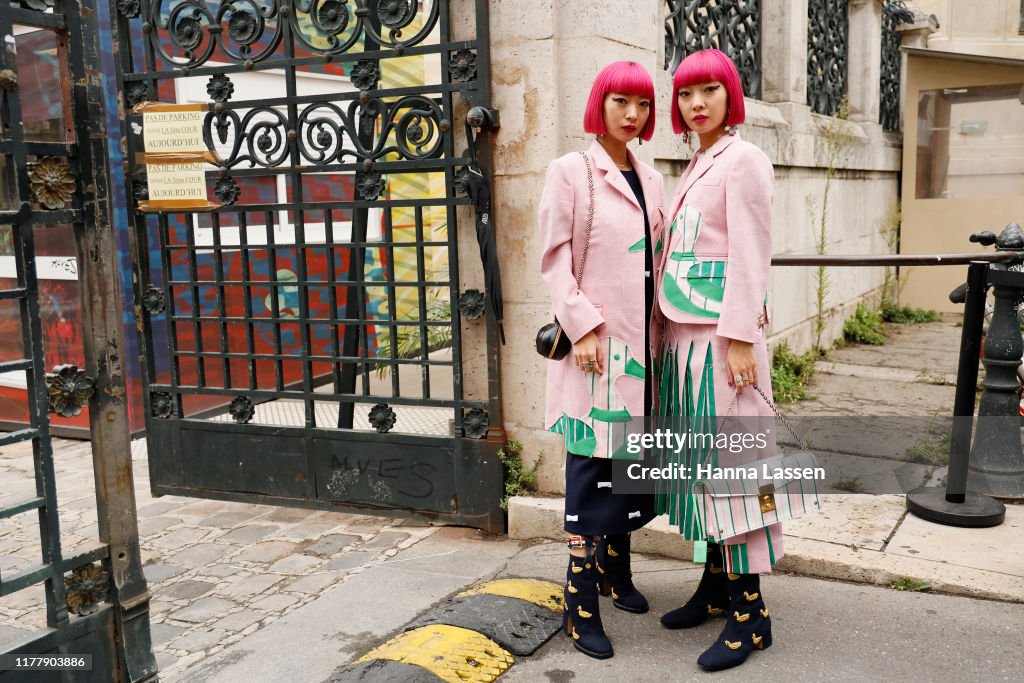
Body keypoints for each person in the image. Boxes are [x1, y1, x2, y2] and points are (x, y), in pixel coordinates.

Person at [655, 48, 781, 671]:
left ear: (731, 96)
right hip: (687, 344)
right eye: (684, 93)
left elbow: (751, 255)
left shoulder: (745, 159)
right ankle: (713, 588)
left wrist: (737, 338)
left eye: (708, 90)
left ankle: (750, 613)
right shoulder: (699, 161)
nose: (695, 103)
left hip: (721, 348)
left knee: (736, 476)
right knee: (703, 474)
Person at [539, 61, 664, 660]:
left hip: (645, 348)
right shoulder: (570, 172)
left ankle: (617, 571)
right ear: (601, 105)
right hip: (595, 348)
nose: (632, 114)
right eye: (621, 102)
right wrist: (582, 325)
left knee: (630, 463)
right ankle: (579, 601)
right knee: (590, 468)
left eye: (642, 104)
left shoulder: (654, 177)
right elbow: (553, 259)